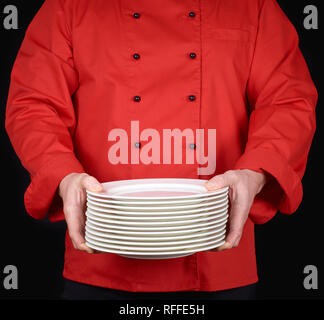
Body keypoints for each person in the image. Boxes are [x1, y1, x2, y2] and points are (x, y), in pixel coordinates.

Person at [5, 0, 317, 300]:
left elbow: (288, 102)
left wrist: (255, 173)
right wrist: (62, 175)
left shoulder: (253, 5)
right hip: (99, 252)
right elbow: (33, 103)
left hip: (218, 259)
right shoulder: (69, 5)